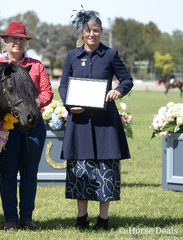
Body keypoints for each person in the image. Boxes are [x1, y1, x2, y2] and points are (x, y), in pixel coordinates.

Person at [58, 10, 133, 231]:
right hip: (79, 123)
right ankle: (81, 218)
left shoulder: (110, 55)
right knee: (80, 169)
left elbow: (127, 79)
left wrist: (118, 91)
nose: (92, 34)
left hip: (105, 124)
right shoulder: (72, 56)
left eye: (96, 30)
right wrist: (69, 104)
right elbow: (63, 85)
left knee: (105, 169)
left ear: (101, 32)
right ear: (82, 33)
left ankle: (103, 219)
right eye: (88, 30)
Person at [0, 21, 54, 231]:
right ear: (5, 41)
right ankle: (10, 219)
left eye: (21, 39)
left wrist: (33, 105)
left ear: (25, 42)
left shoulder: (36, 66)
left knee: (30, 174)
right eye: (13, 39)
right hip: (6, 129)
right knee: (8, 174)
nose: (17, 42)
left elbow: (47, 92)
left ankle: (26, 218)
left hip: (33, 126)